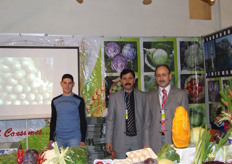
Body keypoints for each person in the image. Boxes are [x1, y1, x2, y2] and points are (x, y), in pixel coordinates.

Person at [143, 64, 189, 153]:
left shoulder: (181, 94)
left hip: (174, 141)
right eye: (158, 75)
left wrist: (184, 142)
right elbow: (147, 122)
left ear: (170, 76)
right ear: (155, 78)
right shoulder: (149, 96)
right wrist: (146, 142)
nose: (161, 78)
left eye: (164, 75)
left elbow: (185, 122)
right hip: (154, 141)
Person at [105, 69, 147, 159]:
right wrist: (108, 140)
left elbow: (147, 121)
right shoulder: (114, 98)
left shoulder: (143, 97)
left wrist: (147, 142)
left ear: (134, 80)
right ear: (121, 80)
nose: (127, 81)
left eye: (130, 78)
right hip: (120, 140)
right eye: (124, 79)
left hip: (138, 140)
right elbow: (110, 120)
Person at [48, 74, 87, 149]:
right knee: (59, 160)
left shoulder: (79, 100)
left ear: (73, 84)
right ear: (61, 84)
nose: (67, 86)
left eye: (69, 83)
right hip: (59, 139)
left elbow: (83, 120)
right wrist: (51, 139)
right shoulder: (55, 101)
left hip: (75, 138)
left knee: (74, 160)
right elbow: (53, 120)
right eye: (65, 83)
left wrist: (83, 140)